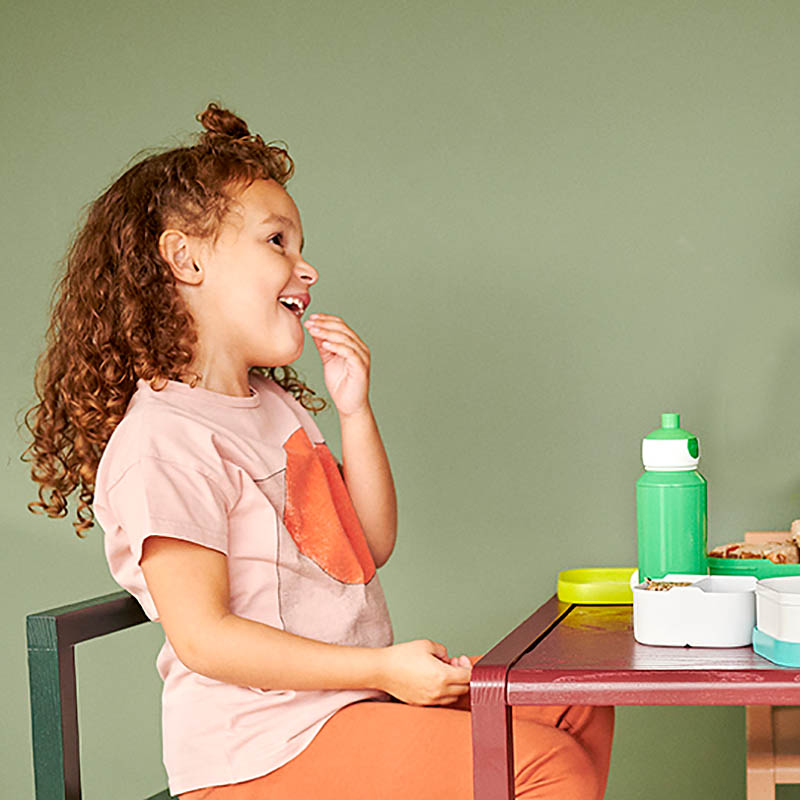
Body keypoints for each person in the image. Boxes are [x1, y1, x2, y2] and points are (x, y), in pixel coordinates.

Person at [22, 102, 614, 799]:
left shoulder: (273, 409)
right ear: (185, 259)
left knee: (572, 694)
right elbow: (204, 638)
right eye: (277, 241)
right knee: (543, 766)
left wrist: (354, 409)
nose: (306, 268)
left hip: (344, 712)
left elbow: (366, 543)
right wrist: (381, 670)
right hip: (259, 753)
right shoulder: (163, 441)